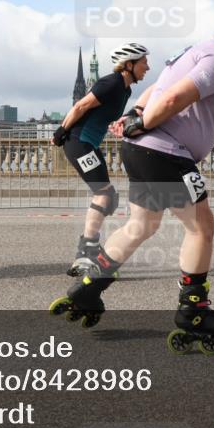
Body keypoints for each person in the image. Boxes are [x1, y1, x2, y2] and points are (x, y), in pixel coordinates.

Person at [50, 3, 214, 355]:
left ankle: (89, 288)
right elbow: (171, 98)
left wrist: (136, 114)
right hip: (166, 154)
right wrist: (144, 122)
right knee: (201, 228)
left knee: (141, 226)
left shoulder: (197, 51)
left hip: (143, 152)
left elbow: (157, 86)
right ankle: (194, 311)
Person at [52, 43, 150, 276]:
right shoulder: (111, 83)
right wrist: (61, 131)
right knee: (104, 195)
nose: (147, 67)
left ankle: (89, 248)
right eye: (144, 62)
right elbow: (81, 105)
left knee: (109, 197)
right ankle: (86, 252)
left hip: (89, 144)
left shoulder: (125, 90)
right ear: (129, 65)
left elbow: (103, 114)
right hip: (79, 142)